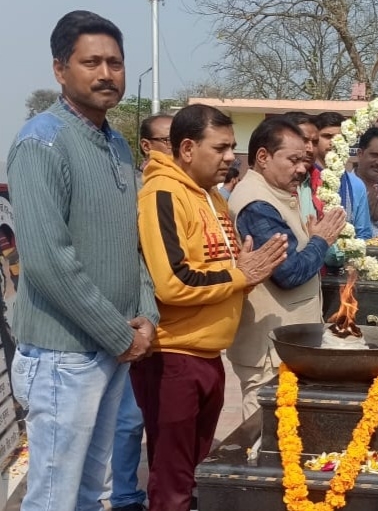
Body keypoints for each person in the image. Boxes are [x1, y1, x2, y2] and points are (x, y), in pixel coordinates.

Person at [7, 10, 159, 511]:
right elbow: (48, 261)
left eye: (115, 62)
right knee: (55, 497)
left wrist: (146, 317)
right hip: (64, 355)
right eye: (91, 62)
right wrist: (120, 335)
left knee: (93, 493)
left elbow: (130, 243)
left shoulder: (115, 143)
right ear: (60, 69)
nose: (106, 74)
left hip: (112, 347)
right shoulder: (42, 142)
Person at [135, 104, 288, 511]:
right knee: (171, 481)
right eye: (220, 148)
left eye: (232, 147)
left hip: (206, 354)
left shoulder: (213, 197)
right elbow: (174, 281)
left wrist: (246, 273)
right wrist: (240, 275)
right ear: (187, 149)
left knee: (196, 472)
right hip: (173, 356)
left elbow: (225, 268)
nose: (230, 157)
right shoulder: (162, 193)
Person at [227, 117, 346, 419]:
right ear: (263, 157)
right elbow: (289, 273)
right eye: (293, 160)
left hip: (286, 343)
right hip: (269, 349)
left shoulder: (274, 193)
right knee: (263, 432)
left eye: (304, 160)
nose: (302, 169)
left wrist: (312, 239)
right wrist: (321, 240)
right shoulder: (256, 204)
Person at [102, 114, 175, 511]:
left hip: (170, 323)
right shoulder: (134, 188)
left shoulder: (187, 189)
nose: (177, 149)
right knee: (128, 419)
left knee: (163, 416)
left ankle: (164, 488)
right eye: (168, 141)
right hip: (133, 320)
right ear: (147, 146)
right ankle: (125, 494)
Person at [314, 112, 372, 239]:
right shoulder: (303, 178)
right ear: (315, 140)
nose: (334, 142)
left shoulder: (356, 185)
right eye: (327, 136)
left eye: (340, 138)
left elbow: (364, 233)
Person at [285, 111, 323, 221]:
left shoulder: (321, 183)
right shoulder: (273, 184)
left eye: (315, 142)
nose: (310, 149)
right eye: (304, 140)